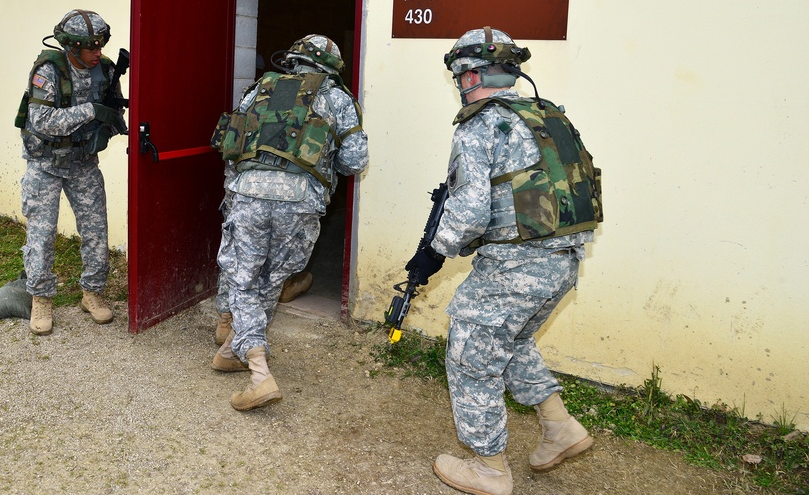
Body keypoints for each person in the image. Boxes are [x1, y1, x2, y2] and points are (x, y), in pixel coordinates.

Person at [408, 27, 602, 495]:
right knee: (509, 341)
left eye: (461, 76)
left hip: (516, 265)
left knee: (471, 355)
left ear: (469, 75)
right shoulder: (548, 116)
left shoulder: (481, 124)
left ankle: (489, 468)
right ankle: (561, 428)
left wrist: (434, 252)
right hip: (563, 260)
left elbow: (471, 209)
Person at [209, 34, 369, 410]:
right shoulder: (339, 99)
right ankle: (234, 350)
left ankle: (259, 372)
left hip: (249, 192)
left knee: (243, 281)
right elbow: (354, 161)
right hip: (300, 201)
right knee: (271, 280)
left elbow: (230, 143)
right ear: (331, 68)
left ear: (293, 60)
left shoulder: (261, 88)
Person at [16, 9, 127, 336]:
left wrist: (111, 120)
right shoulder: (48, 70)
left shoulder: (106, 70)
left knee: (96, 228)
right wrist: (92, 111)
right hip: (45, 163)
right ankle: (41, 297)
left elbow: (113, 108)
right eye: (90, 48)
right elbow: (43, 121)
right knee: (42, 232)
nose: (98, 53)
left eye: (100, 45)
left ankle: (92, 292)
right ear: (71, 47)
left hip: (83, 162)